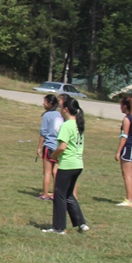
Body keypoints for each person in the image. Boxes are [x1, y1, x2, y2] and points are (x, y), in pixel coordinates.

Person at [44, 95, 89, 234]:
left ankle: (59, 227)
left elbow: (62, 147)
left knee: (59, 195)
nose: (60, 108)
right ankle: (81, 223)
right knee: (68, 194)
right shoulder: (78, 124)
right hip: (77, 164)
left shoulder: (66, 125)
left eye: (61, 106)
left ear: (66, 109)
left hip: (67, 165)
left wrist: (53, 155)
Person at [35, 94, 63, 200]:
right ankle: (57, 194)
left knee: (47, 172)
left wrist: (39, 147)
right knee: (56, 172)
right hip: (58, 146)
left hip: (49, 145)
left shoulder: (47, 115)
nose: (43, 103)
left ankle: (45, 194)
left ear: (50, 103)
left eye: (45, 101)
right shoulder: (60, 115)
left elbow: (43, 133)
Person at [115, 95, 132, 207]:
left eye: (121, 105)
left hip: (128, 148)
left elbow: (124, 136)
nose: (120, 107)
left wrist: (118, 152)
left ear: (125, 106)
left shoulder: (127, 119)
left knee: (127, 175)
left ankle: (129, 199)